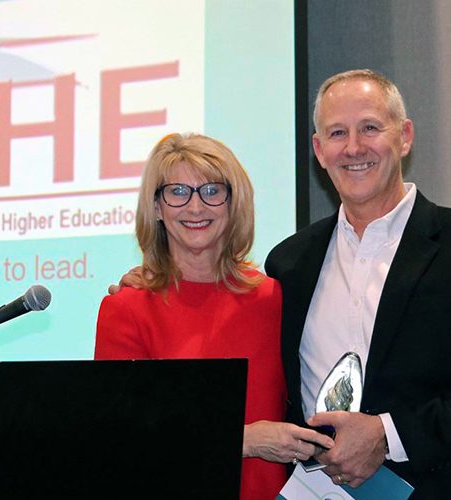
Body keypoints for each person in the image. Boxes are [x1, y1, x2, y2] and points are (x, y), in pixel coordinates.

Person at [95, 133, 334, 500]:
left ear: (233, 203)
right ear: (156, 207)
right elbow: (124, 439)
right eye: (177, 192)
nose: (195, 207)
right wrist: (245, 440)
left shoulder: (275, 298)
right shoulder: (125, 309)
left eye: (211, 191)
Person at [265, 69, 451, 497]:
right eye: (337, 133)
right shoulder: (289, 262)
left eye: (370, 128)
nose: (353, 148)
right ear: (319, 150)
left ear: (404, 137)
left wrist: (388, 435)